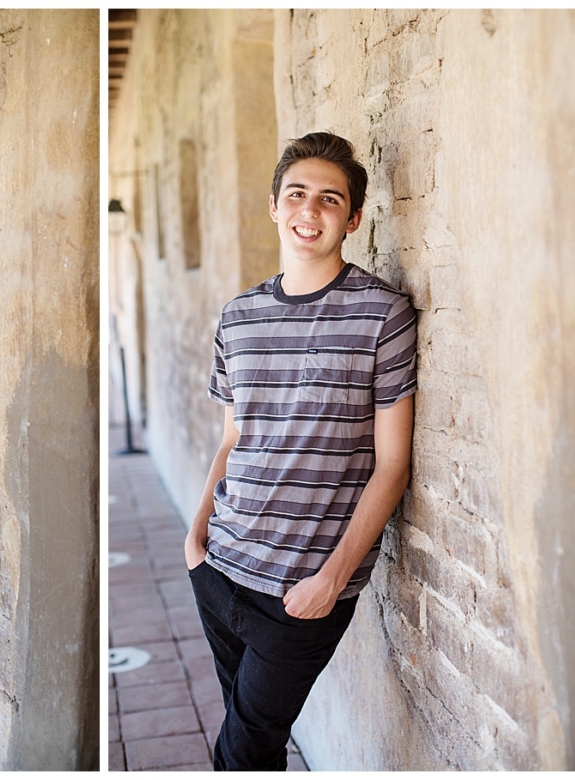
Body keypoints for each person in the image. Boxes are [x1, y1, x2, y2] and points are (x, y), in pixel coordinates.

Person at [184, 133, 417, 770]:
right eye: (297, 194)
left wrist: (333, 579)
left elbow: (392, 465)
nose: (309, 211)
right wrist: (196, 537)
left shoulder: (382, 314)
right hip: (221, 566)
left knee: (244, 746)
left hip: (303, 590)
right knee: (248, 734)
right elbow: (235, 436)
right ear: (274, 205)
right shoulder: (239, 317)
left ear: (354, 217)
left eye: (329, 199)